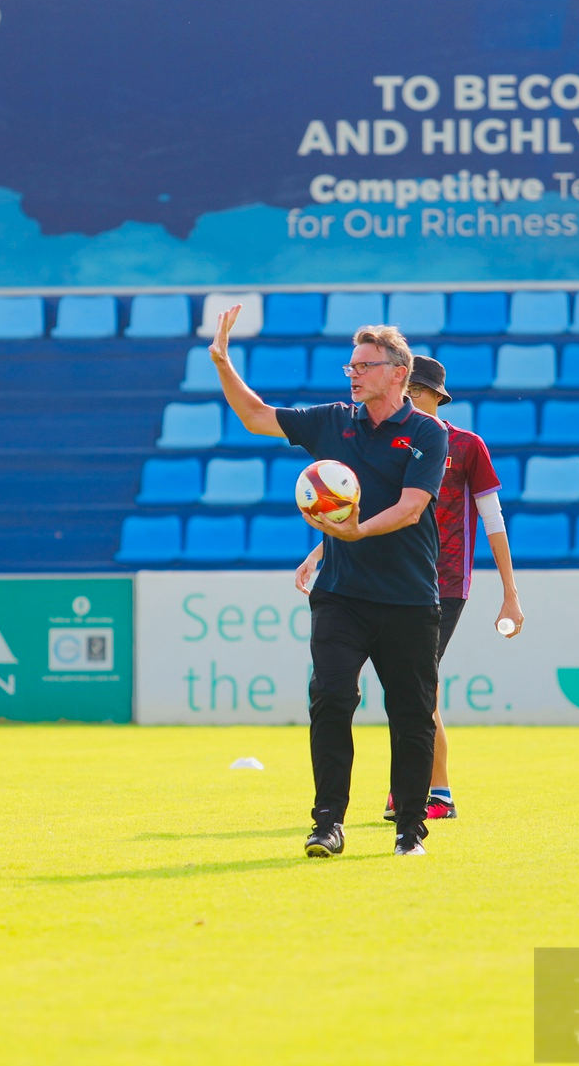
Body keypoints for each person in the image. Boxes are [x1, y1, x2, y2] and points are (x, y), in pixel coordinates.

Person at [208, 306, 447, 857]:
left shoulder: (427, 433)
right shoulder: (332, 421)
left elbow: (413, 509)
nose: (354, 373)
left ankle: (410, 828)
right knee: (331, 699)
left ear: (397, 373)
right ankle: (326, 824)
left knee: (411, 714)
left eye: (365, 364)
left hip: (410, 598)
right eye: (351, 365)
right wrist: (223, 363)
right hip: (341, 597)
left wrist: (358, 531)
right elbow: (256, 416)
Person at [296, 354, 522, 823]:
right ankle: (418, 792)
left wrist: (510, 592)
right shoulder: (380, 438)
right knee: (408, 691)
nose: (410, 397)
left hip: (442, 582)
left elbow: (493, 519)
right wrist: (320, 553)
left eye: (419, 390)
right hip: (384, 577)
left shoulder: (462, 445)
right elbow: (363, 507)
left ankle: (433, 792)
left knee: (420, 690)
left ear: (436, 396)